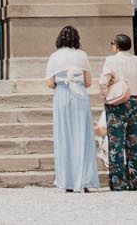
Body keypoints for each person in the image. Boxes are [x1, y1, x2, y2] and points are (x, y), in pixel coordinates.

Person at [44, 25, 97, 192]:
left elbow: (49, 82)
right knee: (82, 135)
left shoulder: (55, 56)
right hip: (79, 94)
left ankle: (66, 180)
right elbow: (88, 82)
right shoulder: (82, 56)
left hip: (62, 94)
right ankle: (83, 180)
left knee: (64, 136)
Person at [98, 32, 137, 191]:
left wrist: (105, 96)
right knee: (135, 141)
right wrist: (136, 95)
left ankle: (118, 182)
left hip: (116, 102)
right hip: (133, 101)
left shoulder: (111, 60)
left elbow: (103, 81)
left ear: (116, 45)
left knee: (116, 142)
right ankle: (136, 181)